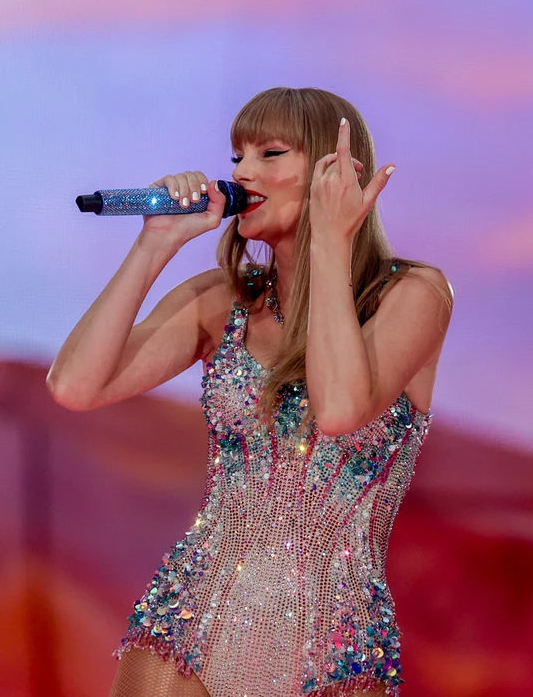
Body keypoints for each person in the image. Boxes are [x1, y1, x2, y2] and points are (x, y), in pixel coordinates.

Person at [46, 87, 453, 697]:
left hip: (335, 651)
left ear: (335, 171)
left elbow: (340, 408)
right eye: (237, 156)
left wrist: (331, 241)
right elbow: (75, 386)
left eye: (269, 153)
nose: (241, 173)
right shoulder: (225, 299)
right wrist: (155, 243)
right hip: (188, 628)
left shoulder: (413, 296)